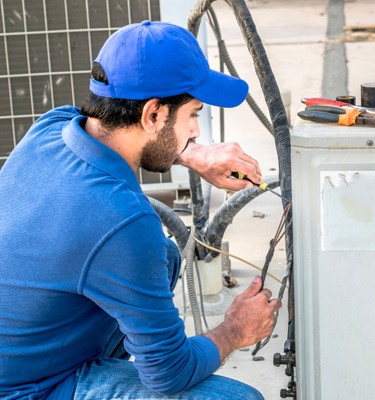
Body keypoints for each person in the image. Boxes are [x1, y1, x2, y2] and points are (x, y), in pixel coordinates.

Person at [0, 20, 282, 400]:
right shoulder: (122, 221)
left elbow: (121, 137)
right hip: (27, 389)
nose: (196, 131)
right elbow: (170, 374)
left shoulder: (51, 128)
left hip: (23, 347)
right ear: (153, 114)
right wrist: (234, 329)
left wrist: (195, 156)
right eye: (193, 114)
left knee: (163, 256)